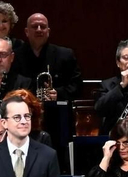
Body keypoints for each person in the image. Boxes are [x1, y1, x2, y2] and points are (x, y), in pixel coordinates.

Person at [11, 12, 81, 148]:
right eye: (34, 26)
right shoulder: (15, 56)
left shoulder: (65, 55)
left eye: (42, 27)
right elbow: (11, 87)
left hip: (57, 120)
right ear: (26, 31)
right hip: (24, 119)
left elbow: (76, 86)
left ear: (48, 31)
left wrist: (58, 94)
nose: (38, 30)